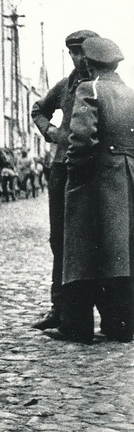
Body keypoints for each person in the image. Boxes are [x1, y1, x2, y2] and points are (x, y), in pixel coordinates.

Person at [54, 36, 134, 344]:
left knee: (81, 251)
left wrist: (75, 171)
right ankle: (121, 324)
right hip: (126, 178)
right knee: (120, 252)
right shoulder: (129, 94)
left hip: (92, 180)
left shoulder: (90, 88)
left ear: (88, 63)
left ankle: (77, 326)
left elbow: (82, 137)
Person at [29, 30, 98, 330]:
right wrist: (51, 132)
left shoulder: (102, 86)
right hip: (61, 169)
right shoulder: (64, 87)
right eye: (74, 52)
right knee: (59, 240)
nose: (79, 58)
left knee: (94, 241)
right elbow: (38, 109)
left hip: (95, 170)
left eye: (83, 51)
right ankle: (59, 307)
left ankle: (98, 310)